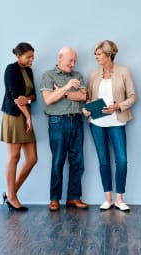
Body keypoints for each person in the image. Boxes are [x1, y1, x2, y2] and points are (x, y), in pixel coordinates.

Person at [82, 40, 136, 211]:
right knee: (103, 161)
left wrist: (118, 106)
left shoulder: (124, 72)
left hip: (117, 121)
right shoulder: (93, 74)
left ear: (108, 55)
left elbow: (133, 97)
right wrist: (86, 109)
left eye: (99, 54)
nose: (96, 57)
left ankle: (120, 198)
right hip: (96, 123)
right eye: (95, 54)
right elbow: (89, 98)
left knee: (122, 160)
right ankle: (108, 198)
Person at [40, 46, 88, 211]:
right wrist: (67, 87)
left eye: (75, 61)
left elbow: (83, 96)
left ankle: (73, 198)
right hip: (57, 122)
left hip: (77, 121)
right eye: (70, 60)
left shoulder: (78, 76)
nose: (73, 64)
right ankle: (54, 199)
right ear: (60, 58)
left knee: (78, 162)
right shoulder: (48, 75)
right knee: (58, 160)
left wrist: (62, 92)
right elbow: (49, 100)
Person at [0, 42, 38, 211]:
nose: (31, 60)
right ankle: (12, 196)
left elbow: (33, 96)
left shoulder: (29, 71)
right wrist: (28, 116)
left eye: (32, 57)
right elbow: (16, 97)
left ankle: (10, 193)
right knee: (14, 157)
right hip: (15, 116)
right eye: (28, 57)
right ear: (18, 56)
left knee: (32, 159)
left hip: (25, 115)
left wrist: (28, 100)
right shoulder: (11, 69)